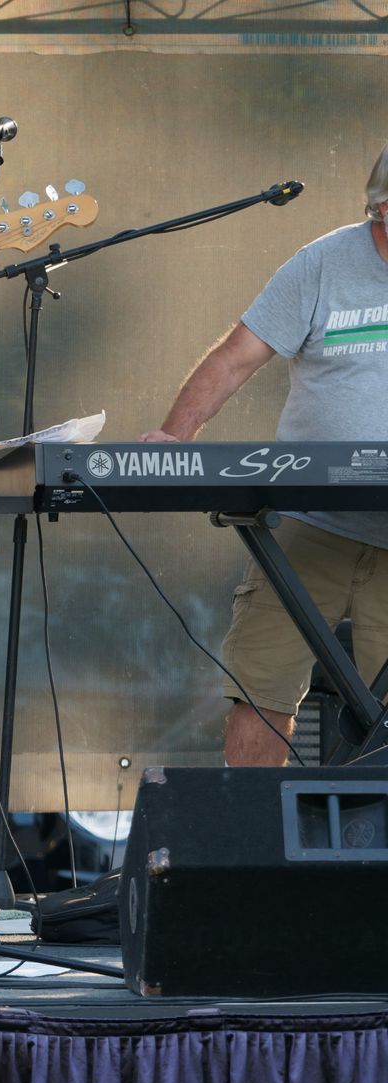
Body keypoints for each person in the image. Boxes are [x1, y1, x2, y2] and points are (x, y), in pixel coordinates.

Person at [142, 141, 388, 767]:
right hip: (312, 524)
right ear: (382, 209)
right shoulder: (323, 263)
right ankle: (249, 829)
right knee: (261, 685)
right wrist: (175, 439)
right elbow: (235, 358)